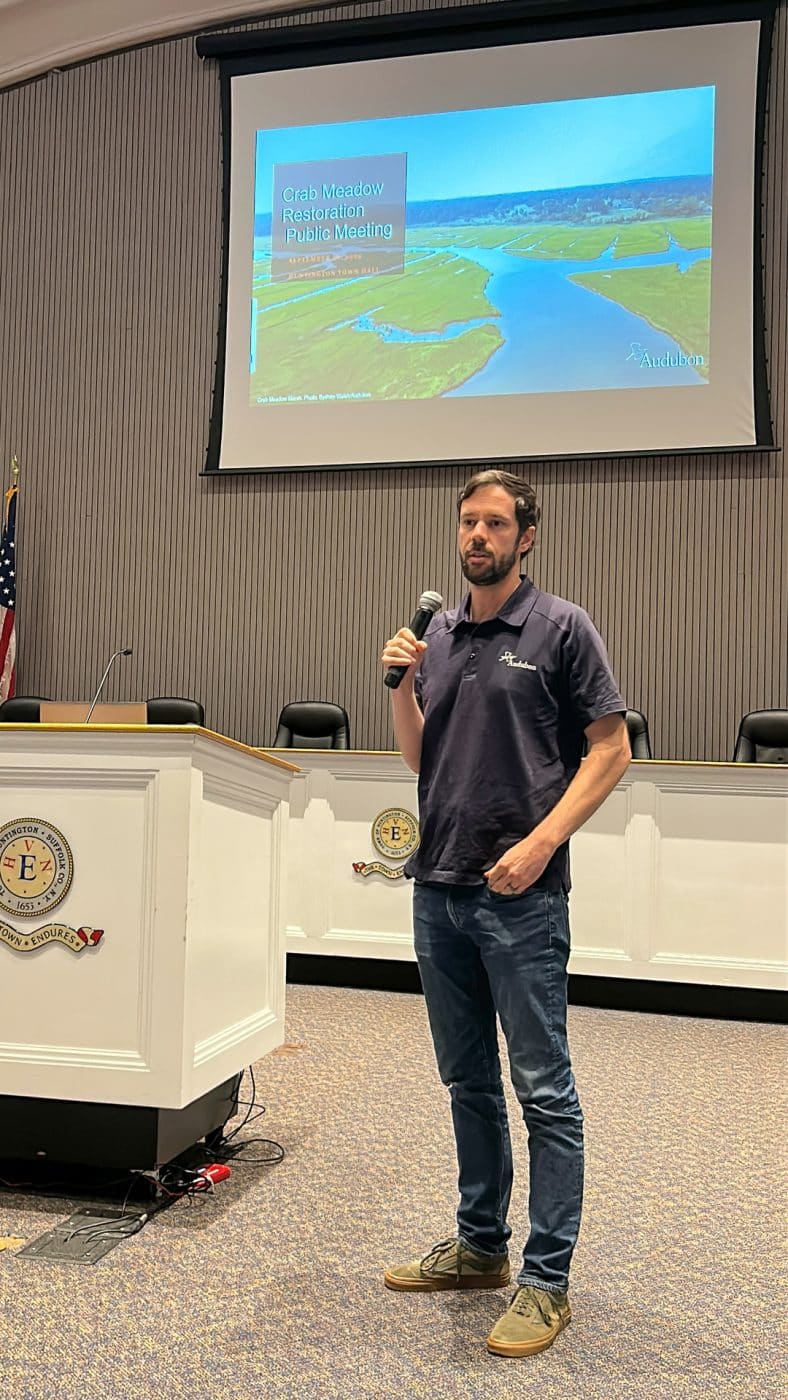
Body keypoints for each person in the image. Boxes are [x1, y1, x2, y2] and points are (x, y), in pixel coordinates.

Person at [380, 469, 630, 1359]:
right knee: (468, 1083)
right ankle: (481, 1245)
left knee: (543, 1089)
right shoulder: (439, 632)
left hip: (521, 898)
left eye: (494, 523)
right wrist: (403, 688)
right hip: (438, 886)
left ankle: (546, 1279)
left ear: (526, 537)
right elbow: (423, 759)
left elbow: (612, 749)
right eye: (467, 521)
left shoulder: (561, 627)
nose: (477, 535)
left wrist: (542, 844)